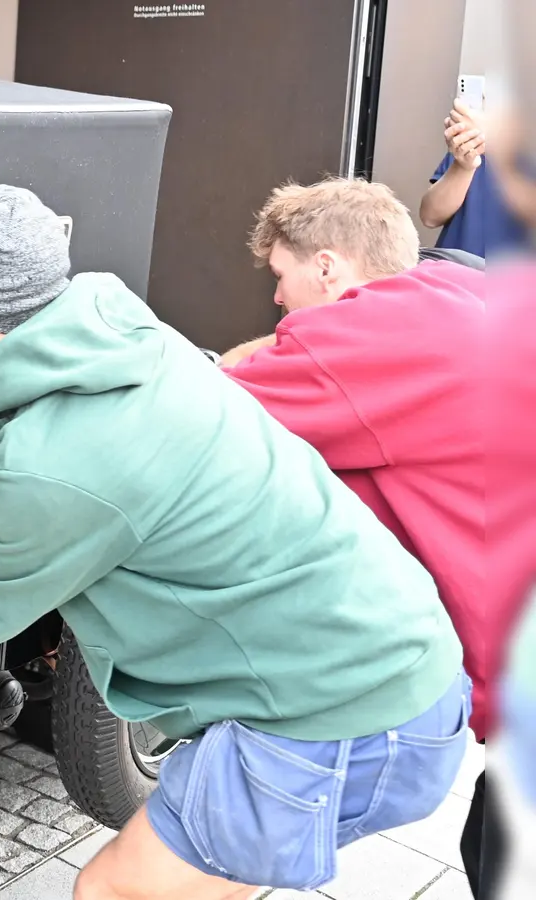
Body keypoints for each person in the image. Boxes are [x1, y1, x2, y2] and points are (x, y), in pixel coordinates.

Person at [0, 184, 470, 899]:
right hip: (400, 670)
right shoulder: (114, 333)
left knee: (112, 891)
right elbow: (0, 413)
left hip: (341, 719)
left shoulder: (52, 468)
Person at [216, 176, 495, 896]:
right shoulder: (450, 306)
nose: (278, 300)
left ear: (329, 267)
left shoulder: (363, 340)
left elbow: (199, 419)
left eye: (282, 277)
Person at [419, 98, 532, 259]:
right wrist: (464, 166)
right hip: (451, 273)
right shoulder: (471, 146)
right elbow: (430, 217)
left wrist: (497, 149)